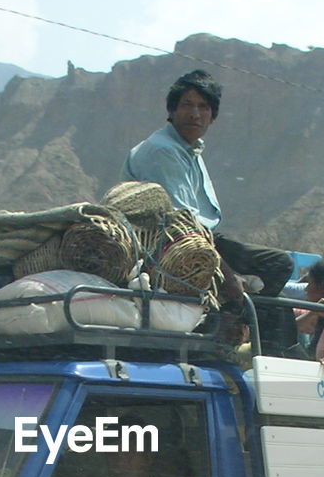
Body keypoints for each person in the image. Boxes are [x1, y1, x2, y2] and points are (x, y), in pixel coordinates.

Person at [122, 69, 295, 353]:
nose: (195, 114)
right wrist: (229, 280)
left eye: (203, 107)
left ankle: (237, 323)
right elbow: (181, 223)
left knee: (279, 270)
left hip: (202, 236)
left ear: (213, 117)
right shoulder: (162, 150)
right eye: (187, 105)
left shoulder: (190, 150)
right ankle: (229, 323)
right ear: (171, 110)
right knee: (265, 286)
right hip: (172, 241)